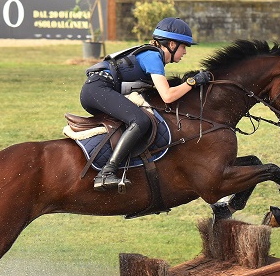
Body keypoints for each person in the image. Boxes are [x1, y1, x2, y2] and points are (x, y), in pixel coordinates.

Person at [81, 17, 212, 192]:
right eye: (184, 47)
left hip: (98, 90)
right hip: (97, 90)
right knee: (140, 121)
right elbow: (167, 96)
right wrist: (192, 82)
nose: (185, 52)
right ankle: (107, 172)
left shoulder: (152, 56)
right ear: (172, 45)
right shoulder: (153, 57)